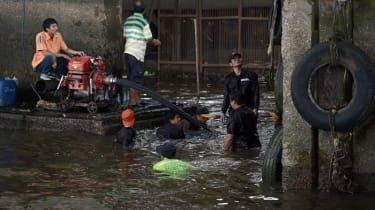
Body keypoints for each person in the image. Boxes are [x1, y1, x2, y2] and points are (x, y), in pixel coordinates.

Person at [123, 0, 161, 105]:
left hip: (128, 52)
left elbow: (125, 35)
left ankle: (134, 99)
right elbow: (149, 39)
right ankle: (133, 100)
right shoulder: (144, 22)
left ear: (133, 9)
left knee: (131, 76)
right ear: (143, 11)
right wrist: (156, 42)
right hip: (137, 53)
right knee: (137, 77)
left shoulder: (128, 20)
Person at [220, 51, 260, 122]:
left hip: (248, 110)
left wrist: (255, 108)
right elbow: (226, 96)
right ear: (230, 64)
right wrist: (223, 112)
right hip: (234, 112)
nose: (237, 59)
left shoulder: (251, 75)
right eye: (234, 59)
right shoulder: (228, 78)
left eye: (238, 58)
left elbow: (256, 93)